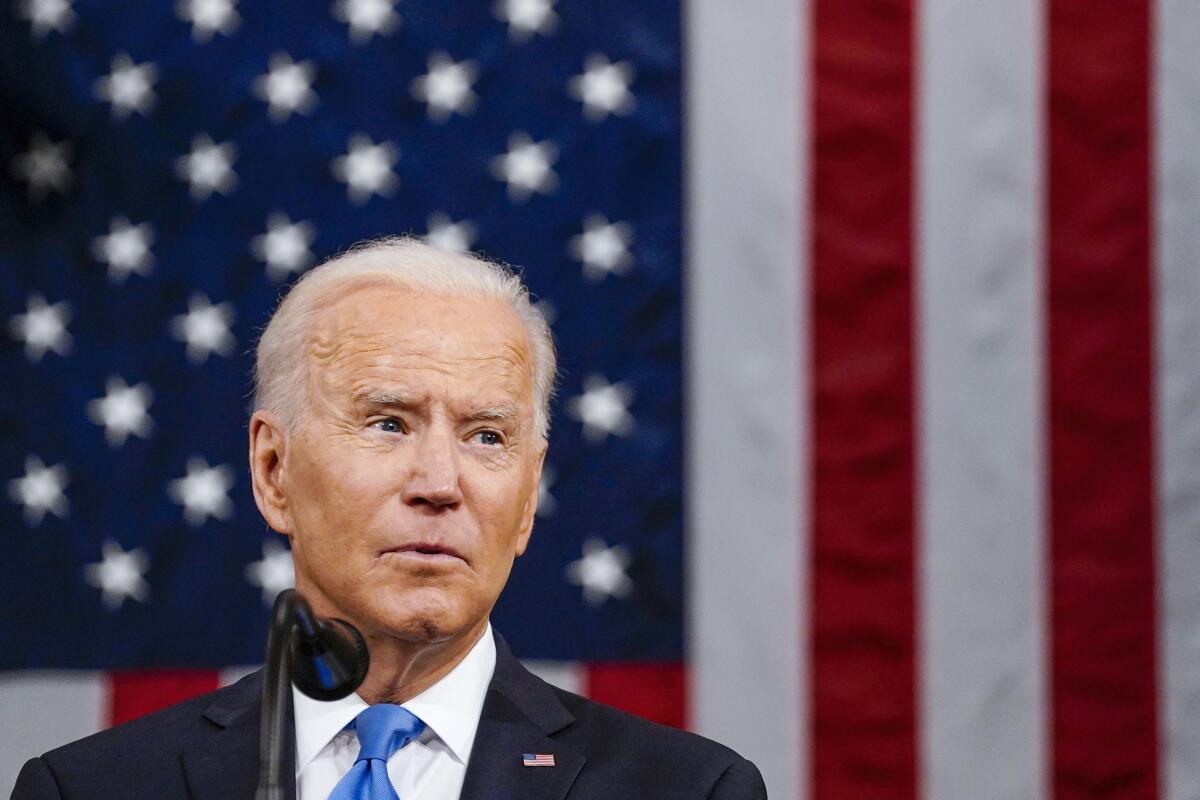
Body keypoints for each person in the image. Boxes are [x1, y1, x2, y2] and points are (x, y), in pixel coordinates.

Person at [12, 238, 767, 799]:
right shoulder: (88, 790)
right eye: (388, 424)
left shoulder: (689, 791)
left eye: (486, 437)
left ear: (529, 497)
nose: (440, 483)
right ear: (274, 472)